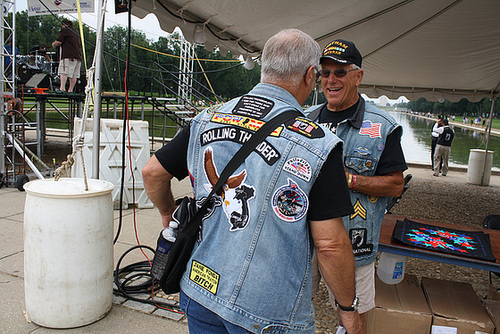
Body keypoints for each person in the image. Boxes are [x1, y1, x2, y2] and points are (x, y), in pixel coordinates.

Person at [142, 29, 363, 334]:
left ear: (265, 68)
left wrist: (168, 214)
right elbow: (329, 245)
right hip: (266, 309)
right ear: (311, 75)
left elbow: (152, 172)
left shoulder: (207, 117)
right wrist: (348, 309)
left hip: (199, 288)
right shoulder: (318, 145)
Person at [305, 39, 407, 332]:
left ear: (358, 76)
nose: (331, 80)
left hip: (354, 245)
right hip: (302, 242)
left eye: (340, 72)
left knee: (352, 316)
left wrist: (348, 179)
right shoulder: (305, 120)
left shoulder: (382, 126)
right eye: (325, 73)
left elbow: (395, 185)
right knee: (292, 306)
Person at [51, 19, 82, 93]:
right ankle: (70, 90)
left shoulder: (65, 30)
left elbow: (58, 42)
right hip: (78, 56)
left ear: (63, 25)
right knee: (74, 75)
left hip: (68, 55)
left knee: (63, 72)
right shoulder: (76, 32)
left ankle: (62, 88)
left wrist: (53, 44)